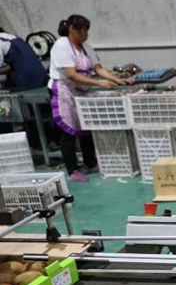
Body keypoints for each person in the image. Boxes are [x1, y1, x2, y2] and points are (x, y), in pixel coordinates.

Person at [49, 15, 132, 182]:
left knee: (86, 127)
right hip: (65, 91)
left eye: (87, 31)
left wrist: (117, 79)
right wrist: (98, 83)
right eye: (82, 31)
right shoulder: (61, 46)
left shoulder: (86, 47)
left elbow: (98, 68)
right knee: (68, 131)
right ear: (72, 29)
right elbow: (71, 75)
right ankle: (72, 170)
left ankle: (91, 163)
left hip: (82, 91)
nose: (86, 35)